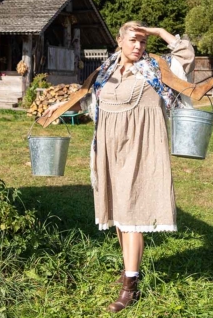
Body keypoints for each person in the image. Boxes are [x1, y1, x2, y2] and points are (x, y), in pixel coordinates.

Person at [43, 21, 195, 313]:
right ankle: (129, 270)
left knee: (132, 213)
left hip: (141, 147)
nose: (138, 46)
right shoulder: (105, 71)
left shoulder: (156, 70)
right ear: (119, 40)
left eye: (143, 41)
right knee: (119, 213)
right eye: (133, 40)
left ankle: (130, 287)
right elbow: (85, 101)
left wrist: (158, 32)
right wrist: (58, 108)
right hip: (110, 149)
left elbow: (186, 55)